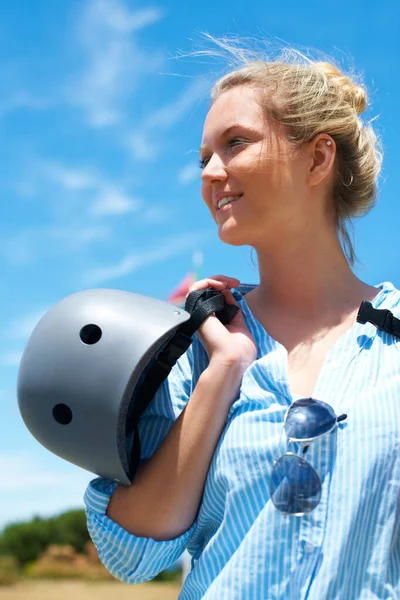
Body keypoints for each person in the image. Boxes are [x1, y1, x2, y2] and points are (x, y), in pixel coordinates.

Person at [83, 41, 400, 599]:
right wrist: (224, 370)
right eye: (203, 155)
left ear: (319, 158)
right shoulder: (191, 346)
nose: (210, 172)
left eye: (235, 144)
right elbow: (131, 554)